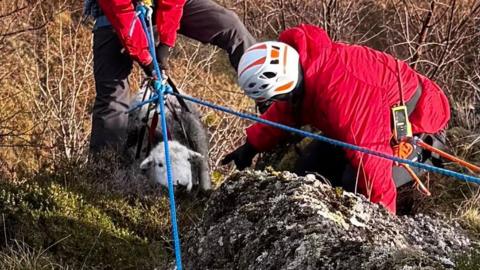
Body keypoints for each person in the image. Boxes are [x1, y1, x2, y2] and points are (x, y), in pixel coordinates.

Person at [221, 24, 450, 214]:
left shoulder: (343, 92)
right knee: (307, 172)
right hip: (364, 127)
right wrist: (251, 145)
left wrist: (383, 225)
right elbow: (287, 110)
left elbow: (371, 164)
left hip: (419, 128)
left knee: (354, 183)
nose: (279, 101)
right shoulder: (306, 67)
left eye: (278, 96)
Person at [83, 0, 256, 153]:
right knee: (112, 98)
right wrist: (146, 59)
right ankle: (105, 171)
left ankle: (273, 101)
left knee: (230, 26)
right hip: (113, 12)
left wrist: (165, 44)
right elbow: (120, 11)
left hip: (161, 5)